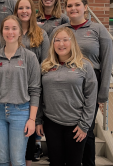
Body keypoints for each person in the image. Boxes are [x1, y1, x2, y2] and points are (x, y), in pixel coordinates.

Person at [36, 26, 97, 166]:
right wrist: (38, 120)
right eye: (57, 40)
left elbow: (91, 97)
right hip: (52, 123)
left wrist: (84, 125)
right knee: (55, 163)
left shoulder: (85, 66)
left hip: (76, 125)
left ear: (72, 43)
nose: (61, 44)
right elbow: (38, 94)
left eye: (65, 40)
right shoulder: (45, 66)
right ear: (52, 44)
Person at [0, 15, 41, 166]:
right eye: (7, 28)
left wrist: (32, 119)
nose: (10, 32)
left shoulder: (30, 57)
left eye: (14, 28)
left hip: (21, 112)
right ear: (2, 31)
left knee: (17, 160)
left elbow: (35, 90)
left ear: (20, 32)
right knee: (2, 160)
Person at [65, 0, 113, 166]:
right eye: (69, 6)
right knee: (69, 127)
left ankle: (88, 163)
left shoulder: (99, 30)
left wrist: (102, 95)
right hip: (67, 84)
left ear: (85, 7)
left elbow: (107, 62)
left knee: (87, 129)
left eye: (77, 5)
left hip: (91, 84)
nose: (73, 9)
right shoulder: (63, 31)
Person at [13, 0, 50, 164]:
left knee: (31, 122)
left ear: (33, 11)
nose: (24, 11)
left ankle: (31, 152)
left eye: (27, 8)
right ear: (16, 11)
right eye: (21, 8)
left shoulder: (41, 34)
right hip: (14, 86)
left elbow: (46, 62)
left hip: (34, 85)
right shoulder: (11, 31)